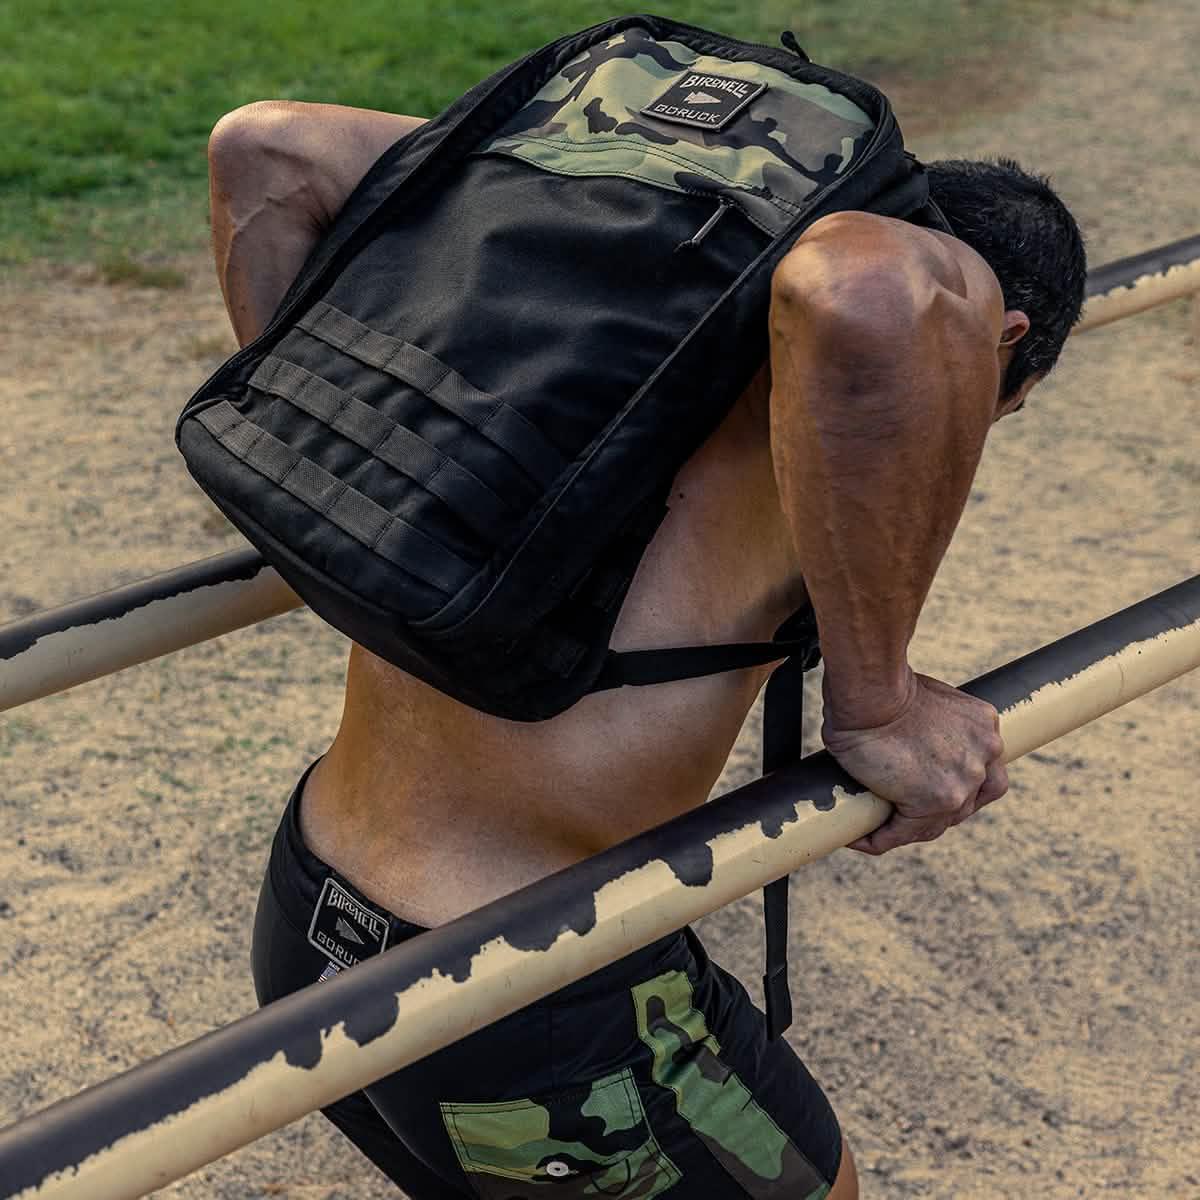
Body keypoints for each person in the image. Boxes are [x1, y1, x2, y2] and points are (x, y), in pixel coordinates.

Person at [210, 97, 1086, 1199]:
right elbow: (867, 293)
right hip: (518, 993)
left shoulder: (608, 346)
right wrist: (881, 708)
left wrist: (356, 503)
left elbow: (267, 150)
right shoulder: (877, 341)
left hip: (308, 924)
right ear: (993, 341)